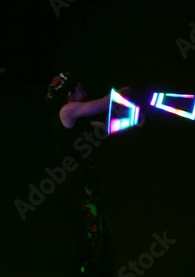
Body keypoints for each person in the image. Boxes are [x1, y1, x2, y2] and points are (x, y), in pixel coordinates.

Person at [44, 72, 135, 276]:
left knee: (101, 238)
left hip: (87, 186)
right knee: (90, 244)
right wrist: (124, 93)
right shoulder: (66, 111)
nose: (84, 89)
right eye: (79, 87)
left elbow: (106, 127)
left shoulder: (79, 121)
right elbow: (105, 103)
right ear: (69, 94)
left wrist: (133, 119)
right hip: (76, 191)